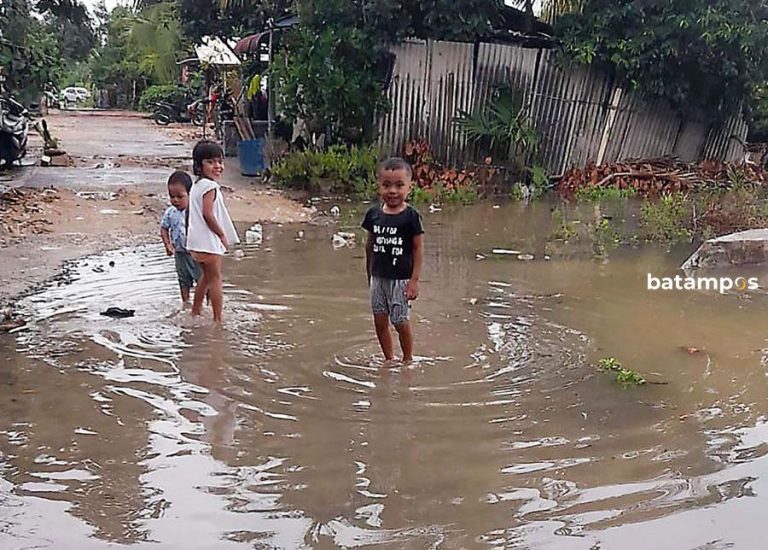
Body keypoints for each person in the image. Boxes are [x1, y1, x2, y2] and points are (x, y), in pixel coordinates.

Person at [362, 157, 424, 364]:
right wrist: (369, 275)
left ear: (409, 187)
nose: (393, 191)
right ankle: (389, 359)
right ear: (378, 186)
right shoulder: (373, 215)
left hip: (401, 279)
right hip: (378, 278)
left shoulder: (411, 217)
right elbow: (369, 245)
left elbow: (418, 248)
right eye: (386, 185)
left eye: (399, 185)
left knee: (400, 322)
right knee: (380, 321)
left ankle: (408, 360)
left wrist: (414, 281)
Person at [186, 141, 240, 324]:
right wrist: (221, 234)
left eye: (220, 161)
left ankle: (195, 310)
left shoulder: (197, 185)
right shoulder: (210, 187)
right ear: (200, 165)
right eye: (211, 162)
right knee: (216, 279)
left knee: (206, 277)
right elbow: (208, 214)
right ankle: (218, 320)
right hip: (207, 242)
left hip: (196, 242)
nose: (217, 166)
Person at [160, 171, 201, 304]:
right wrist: (168, 245)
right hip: (180, 253)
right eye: (172, 196)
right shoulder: (170, 213)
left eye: (180, 196)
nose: (175, 200)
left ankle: (204, 304)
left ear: (190, 194)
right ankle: (186, 303)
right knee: (183, 280)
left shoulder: (195, 211)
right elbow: (164, 228)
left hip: (196, 254)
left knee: (202, 279)